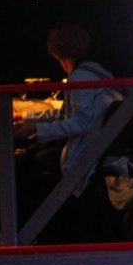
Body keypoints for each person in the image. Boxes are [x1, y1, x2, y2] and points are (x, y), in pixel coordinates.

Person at [14, 24, 118, 199]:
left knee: (34, 161)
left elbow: (82, 122)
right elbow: (66, 114)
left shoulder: (79, 77)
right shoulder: (100, 72)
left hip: (88, 153)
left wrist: (35, 130)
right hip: (100, 145)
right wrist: (25, 117)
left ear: (61, 57)